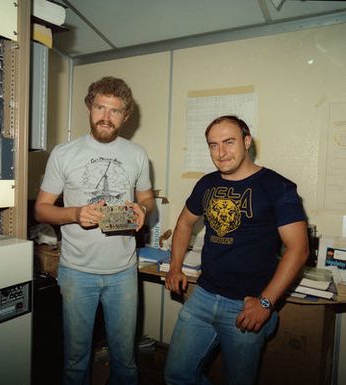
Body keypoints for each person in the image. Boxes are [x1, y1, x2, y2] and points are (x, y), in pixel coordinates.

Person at [164, 115, 309, 385]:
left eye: (229, 142)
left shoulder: (278, 187)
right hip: (204, 296)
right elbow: (184, 223)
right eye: (213, 145)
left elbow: (298, 249)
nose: (221, 152)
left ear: (246, 141)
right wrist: (175, 267)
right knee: (176, 376)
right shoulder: (206, 184)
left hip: (247, 305)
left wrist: (265, 303)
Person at [35, 76, 154, 385]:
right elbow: (41, 209)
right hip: (76, 272)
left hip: (123, 273)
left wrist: (143, 209)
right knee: (76, 360)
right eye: (100, 107)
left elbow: (147, 197)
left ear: (126, 116)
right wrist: (74, 213)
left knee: (124, 359)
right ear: (89, 107)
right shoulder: (63, 153)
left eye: (115, 111)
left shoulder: (138, 154)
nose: (106, 117)